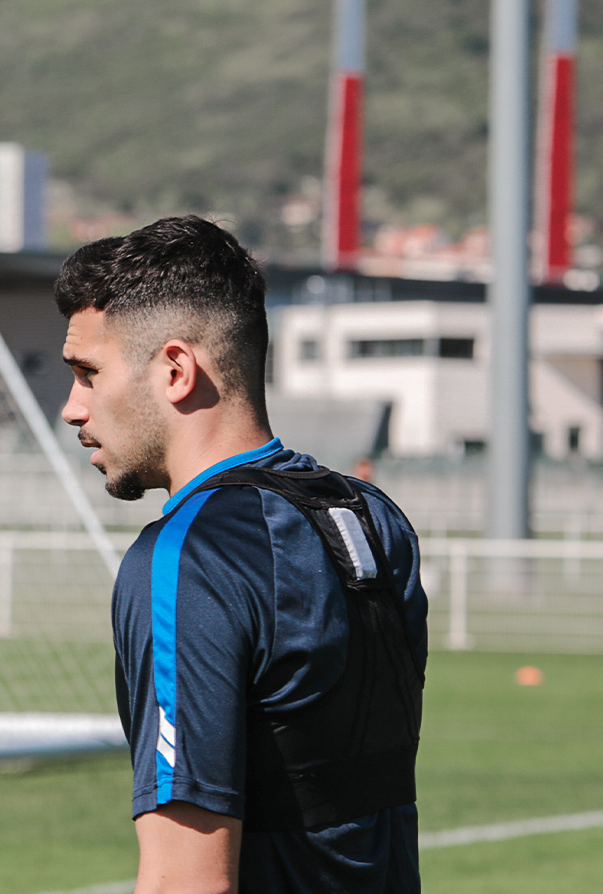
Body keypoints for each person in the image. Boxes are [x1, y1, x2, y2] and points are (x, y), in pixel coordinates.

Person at [55, 216, 426, 894]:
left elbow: (185, 880)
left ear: (175, 370)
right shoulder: (373, 518)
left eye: (87, 373)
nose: (72, 408)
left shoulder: (188, 558)